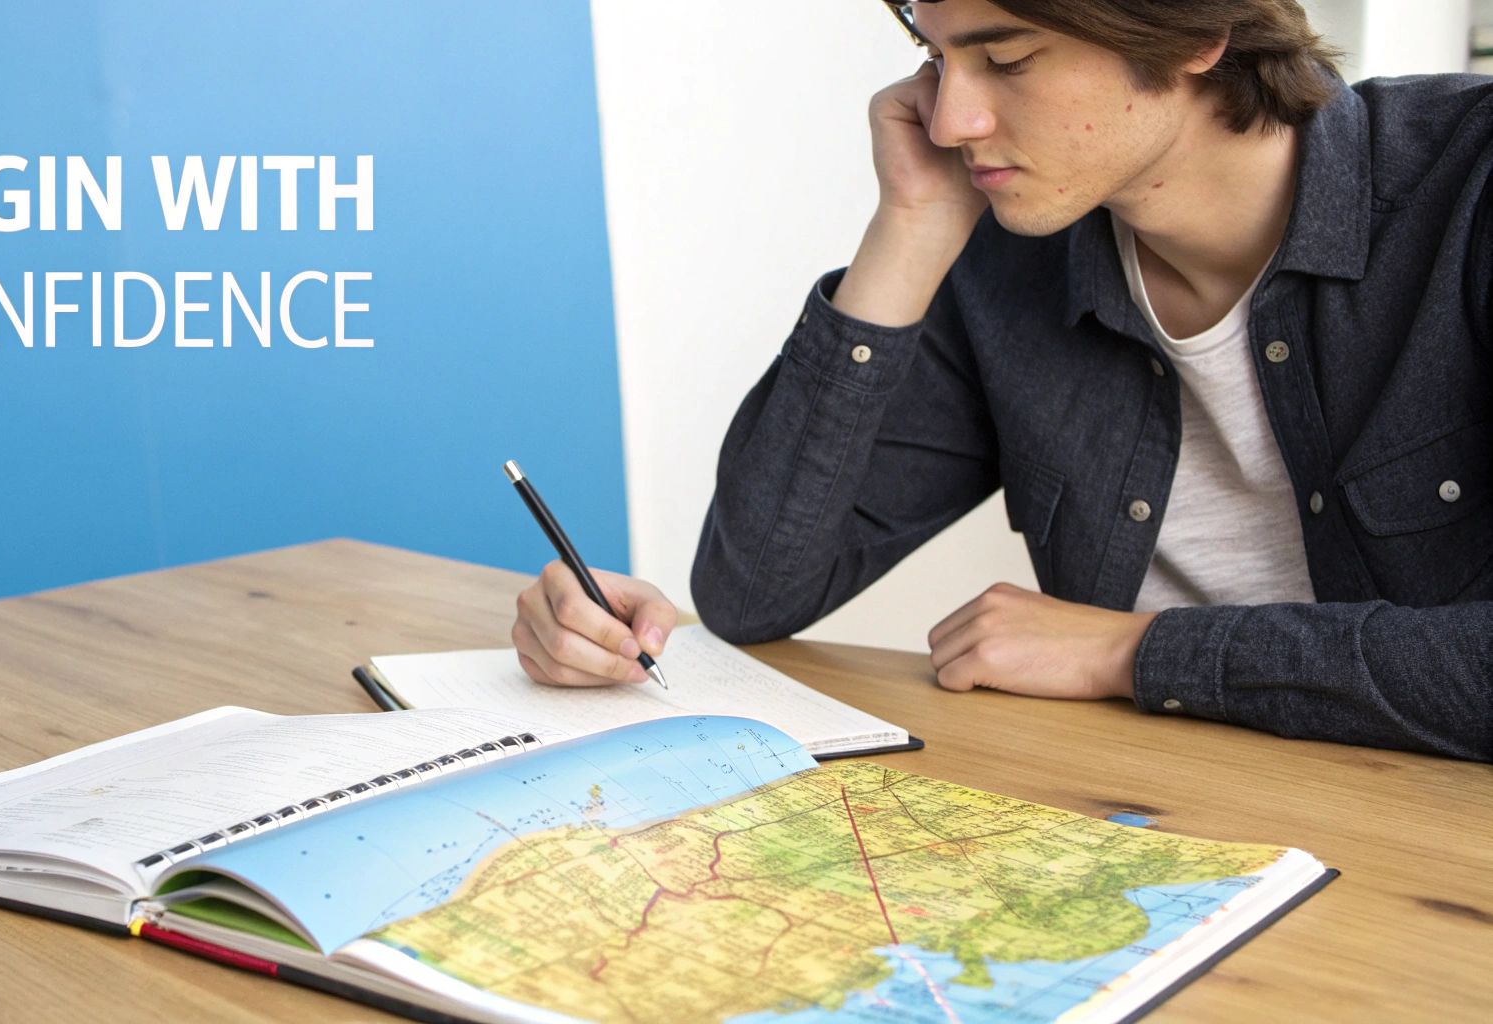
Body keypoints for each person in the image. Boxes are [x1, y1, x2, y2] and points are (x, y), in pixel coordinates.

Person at [510, 0, 1492, 762]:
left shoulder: (1468, 186)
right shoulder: (1008, 258)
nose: (949, 118)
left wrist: (1130, 651)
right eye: (933, 59)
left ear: (1193, 32)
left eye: (1007, 60)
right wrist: (906, 228)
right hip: (1160, 824)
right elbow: (753, 589)